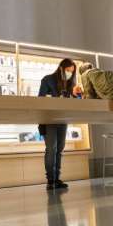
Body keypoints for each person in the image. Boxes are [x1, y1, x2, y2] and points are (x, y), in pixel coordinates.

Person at [38, 58, 77, 190]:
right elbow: (40, 99)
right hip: (49, 119)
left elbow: (73, 100)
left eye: (72, 72)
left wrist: (76, 96)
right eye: (68, 71)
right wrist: (55, 99)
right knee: (51, 149)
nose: (69, 74)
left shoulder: (70, 83)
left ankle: (57, 179)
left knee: (59, 148)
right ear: (61, 68)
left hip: (63, 119)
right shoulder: (47, 80)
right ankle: (51, 180)